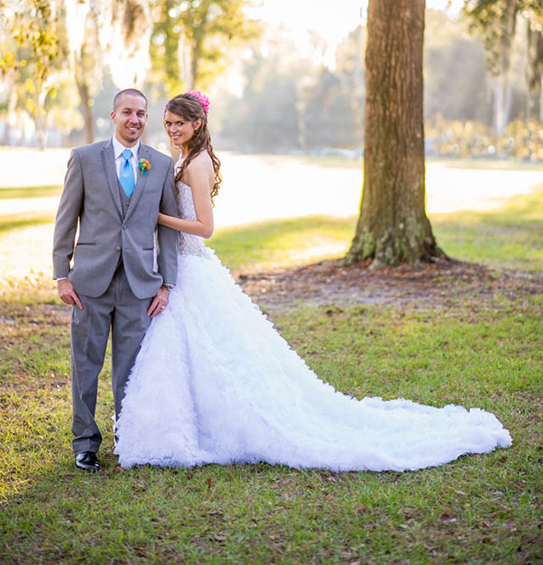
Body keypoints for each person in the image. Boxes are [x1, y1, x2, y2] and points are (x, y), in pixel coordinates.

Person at [115, 91, 512, 471]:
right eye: (167, 123)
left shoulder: (198, 163)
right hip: (179, 266)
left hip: (193, 265)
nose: (172, 130)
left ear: (198, 123)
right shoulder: (180, 158)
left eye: (180, 123)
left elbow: (205, 227)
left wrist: (157, 219)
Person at [53, 88, 179, 472]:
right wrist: (62, 274)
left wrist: (166, 282)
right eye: (127, 112)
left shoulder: (159, 165)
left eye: (141, 113)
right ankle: (85, 443)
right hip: (89, 281)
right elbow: (66, 219)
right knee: (85, 365)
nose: (135, 119)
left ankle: (129, 435)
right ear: (113, 116)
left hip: (140, 284)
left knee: (131, 368)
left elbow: (169, 232)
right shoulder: (85, 158)